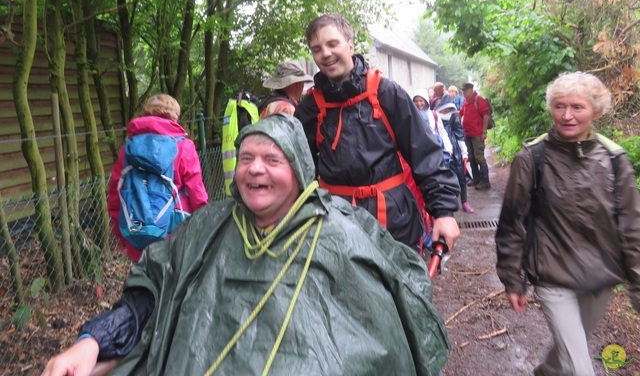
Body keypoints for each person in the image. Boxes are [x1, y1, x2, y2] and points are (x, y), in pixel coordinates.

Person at [41, 114, 450, 376]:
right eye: (247, 157)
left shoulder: (340, 231)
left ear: (300, 170)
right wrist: (93, 341)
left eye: (273, 160)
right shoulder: (206, 229)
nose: (255, 169)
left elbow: (392, 310)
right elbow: (149, 295)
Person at [495, 72, 640, 376]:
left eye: (577, 107)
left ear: (595, 111)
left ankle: (545, 373)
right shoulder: (532, 157)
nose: (567, 115)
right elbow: (512, 221)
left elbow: (632, 226)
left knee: (567, 353)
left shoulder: (614, 160)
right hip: (552, 275)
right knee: (580, 368)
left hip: (599, 278)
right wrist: (513, 278)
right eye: (560, 107)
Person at [294, 13, 460, 252]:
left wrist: (443, 212)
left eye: (332, 44)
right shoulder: (311, 107)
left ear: (350, 46)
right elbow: (296, 170)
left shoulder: (385, 93)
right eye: (317, 49)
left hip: (394, 227)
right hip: (336, 227)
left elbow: (424, 154)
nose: (325, 54)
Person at [107, 94, 208, 261]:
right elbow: (197, 195)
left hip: (137, 238)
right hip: (176, 239)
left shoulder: (127, 149)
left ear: (146, 114)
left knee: (146, 285)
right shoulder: (183, 146)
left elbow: (115, 195)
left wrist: (124, 235)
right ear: (175, 117)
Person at [436, 102, 475, 213]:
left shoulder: (454, 117)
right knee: (443, 180)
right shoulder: (434, 116)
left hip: (455, 152)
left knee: (461, 178)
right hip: (440, 151)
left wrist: (464, 153)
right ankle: (448, 205)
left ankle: (464, 202)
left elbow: (459, 134)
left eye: (449, 108)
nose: (447, 110)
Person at [459, 82, 491, 190]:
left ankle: (485, 181)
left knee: (479, 158)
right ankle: (476, 178)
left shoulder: (478, 100)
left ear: (471, 89)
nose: (463, 92)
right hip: (468, 134)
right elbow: (461, 113)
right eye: (463, 91)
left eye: (465, 90)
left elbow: (485, 116)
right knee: (471, 158)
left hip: (477, 134)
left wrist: (484, 132)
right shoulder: (465, 101)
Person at [413, 89, 453, 164]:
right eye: (416, 101)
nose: (419, 103)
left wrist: (448, 148)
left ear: (426, 101)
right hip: (419, 153)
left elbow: (442, 133)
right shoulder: (411, 116)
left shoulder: (434, 115)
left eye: (421, 101)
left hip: (434, 149)